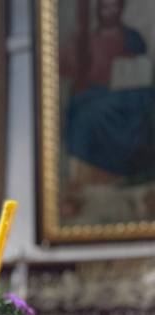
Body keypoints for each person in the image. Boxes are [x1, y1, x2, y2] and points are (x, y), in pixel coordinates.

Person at [60, 0, 155, 192]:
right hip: (94, 94)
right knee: (85, 113)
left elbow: (142, 69)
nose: (110, 12)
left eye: (115, 7)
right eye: (105, 6)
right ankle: (88, 175)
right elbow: (65, 68)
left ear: (121, 9)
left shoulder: (132, 37)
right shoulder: (86, 39)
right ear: (98, 9)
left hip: (127, 95)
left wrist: (131, 64)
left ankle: (132, 172)